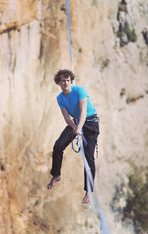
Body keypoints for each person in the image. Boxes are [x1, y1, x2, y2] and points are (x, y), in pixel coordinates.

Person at [47, 69, 100, 204]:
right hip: (76, 122)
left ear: (71, 82)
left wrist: (79, 128)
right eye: (63, 81)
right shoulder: (60, 98)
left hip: (90, 123)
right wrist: (74, 127)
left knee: (89, 159)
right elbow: (66, 117)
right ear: (58, 83)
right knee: (58, 146)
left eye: (68, 81)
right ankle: (56, 175)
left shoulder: (79, 90)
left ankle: (89, 191)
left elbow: (83, 111)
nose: (66, 83)